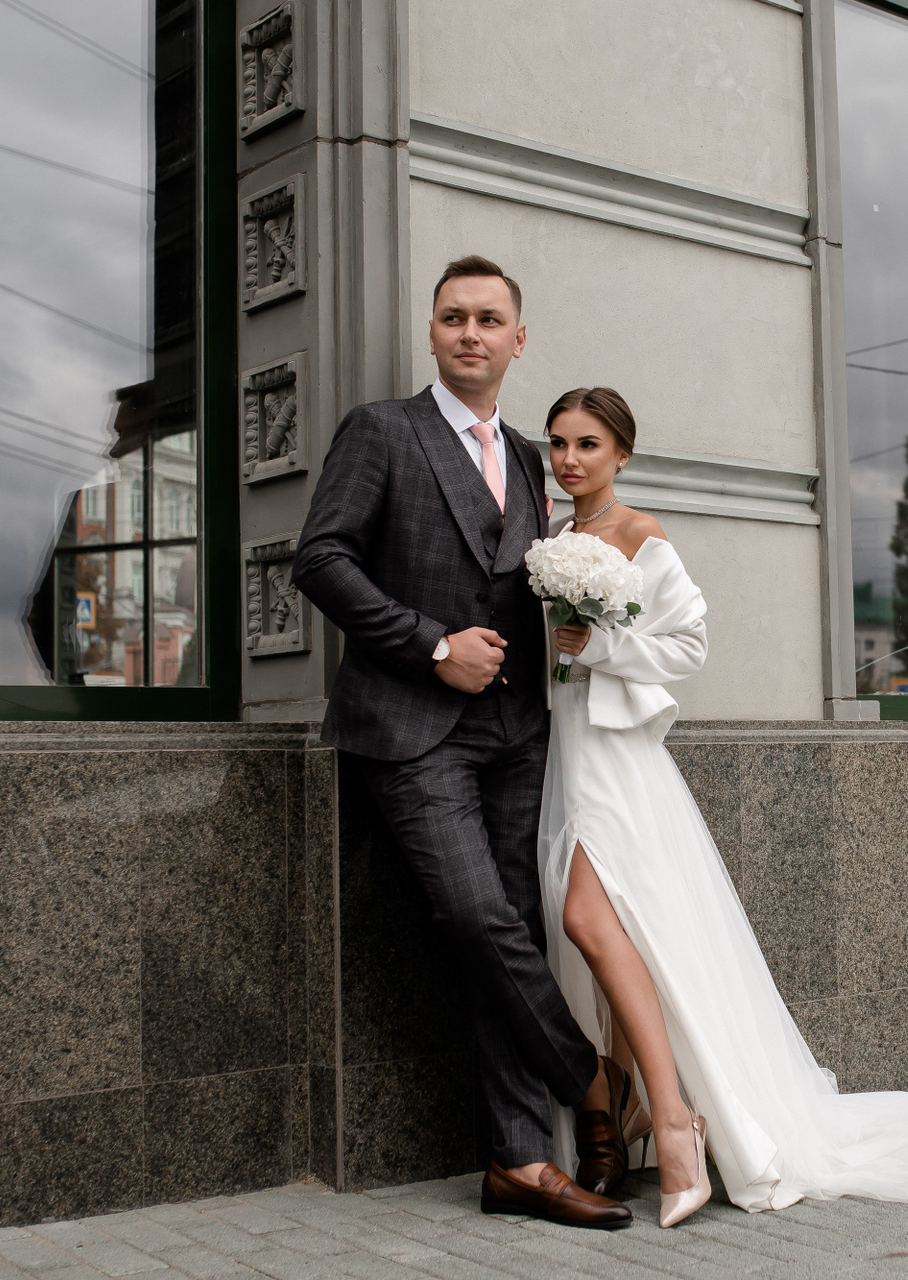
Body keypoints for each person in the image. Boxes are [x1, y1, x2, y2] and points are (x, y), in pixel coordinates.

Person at [536, 387, 908, 1229]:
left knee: (588, 920)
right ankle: (632, 1103)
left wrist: (599, 642)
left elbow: (689, 645)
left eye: (589, 444)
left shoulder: (641, 535)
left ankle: (674, 1122)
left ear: (622, 454)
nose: (570, 459)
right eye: (559, 443)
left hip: (617, 759)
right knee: (616, 931)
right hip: (564, 748)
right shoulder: (554, 538)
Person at [290, 256, 631, 1230]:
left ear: (517, 339)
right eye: (453, 317)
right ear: (432, 332)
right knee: (478, 918)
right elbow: (319, 558)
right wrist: (432, 644)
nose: (470, 332)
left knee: (509, 927)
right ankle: (591, 1076)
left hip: (517, 730)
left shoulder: (529, 455)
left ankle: (519, 1160)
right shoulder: (381, 431)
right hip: (411, 728)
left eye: (488, 319)